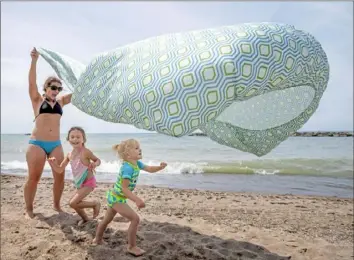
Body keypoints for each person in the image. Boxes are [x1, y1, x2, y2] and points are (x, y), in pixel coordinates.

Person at [93, 139, 167, 256]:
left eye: (139, 147)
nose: (140, 149)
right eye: (136, 148)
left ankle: (97, 240)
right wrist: (137, 199)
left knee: (107, 219)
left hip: (115, 196)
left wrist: (159, 167)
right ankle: (132, 246)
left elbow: (149, 169)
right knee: (135, 219)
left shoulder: (136, 164)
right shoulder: (128, 168)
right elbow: (124, 188)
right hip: (117, 198)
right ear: (128, 154)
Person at [24, 47, 72, 219]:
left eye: (59, 88)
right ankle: (29, 209)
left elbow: (78, 94)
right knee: (34, 178)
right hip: (37, 144)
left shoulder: (61, 101)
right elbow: (31, 82)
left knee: (60, 177)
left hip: (55, 144)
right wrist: (34, 60)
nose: (56, 90)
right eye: (53, 87)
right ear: (46, 87)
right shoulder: (37, 99)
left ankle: (57, 205)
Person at [48, 126, 101, 224]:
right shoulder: (69, 154)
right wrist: (53, 163)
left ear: (83, 139)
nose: (75, 139)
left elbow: (98, 160)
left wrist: (95, 164)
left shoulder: (85, 152)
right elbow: (59, 170)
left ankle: (95, 204)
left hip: (89, 182)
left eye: (78, 137)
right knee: (75, 204)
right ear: (68, 139)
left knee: (72, 203)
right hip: (79, 183)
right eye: (72, 137)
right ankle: (86, 219)